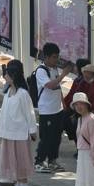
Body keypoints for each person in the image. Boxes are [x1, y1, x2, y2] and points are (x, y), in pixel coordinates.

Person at [0, 60, 39, 186]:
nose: (5, 76)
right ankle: (18, 182)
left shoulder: (22, 93)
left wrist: (32, 130)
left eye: (7, 74)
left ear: (13, 76)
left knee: (20, 158)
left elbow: (29, 113)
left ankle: (23, 183)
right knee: (11, 158)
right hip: (9, 132)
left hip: (19, 132)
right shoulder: (8, 91)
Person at [32, 42, 66, 173]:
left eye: (57, 57)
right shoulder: (41, 71)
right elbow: (50, 85)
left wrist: (63, 103)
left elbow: (58, 88)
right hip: (47, 110)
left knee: (56, 137)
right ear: (46, 57)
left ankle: (52, 160)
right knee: (46, 138)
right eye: (54, 57)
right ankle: (39, 161)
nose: (56, 60)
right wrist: (63, 75)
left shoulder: (54, 69)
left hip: (58, 109)